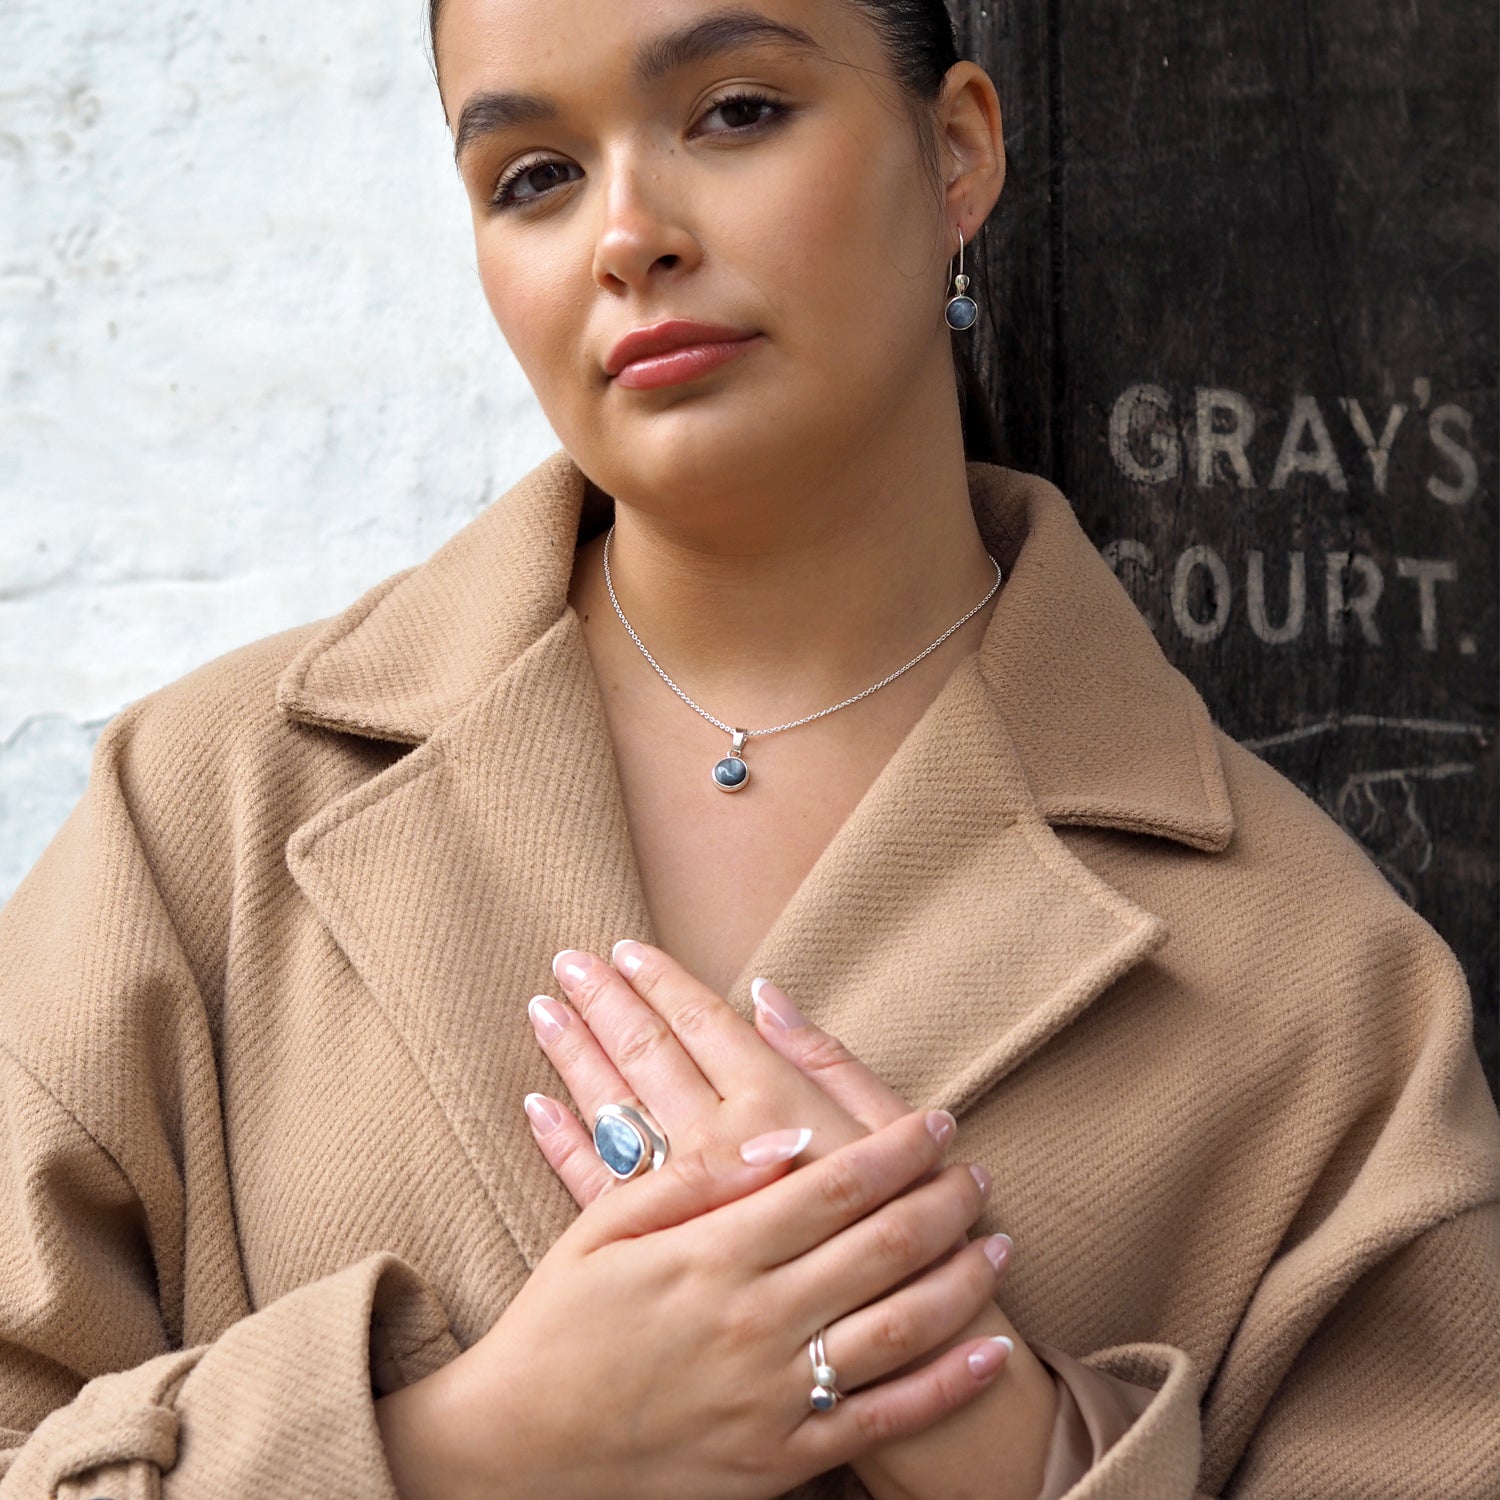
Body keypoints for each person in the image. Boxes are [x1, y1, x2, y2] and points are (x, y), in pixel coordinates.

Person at [1, 1, 1497, 1497]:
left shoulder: (1321, 989)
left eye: (735, 112)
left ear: (958, 150)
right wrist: (474, 1445)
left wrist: (1017, 1446)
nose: (626, 233)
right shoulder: (206, 818)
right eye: (532, 176)